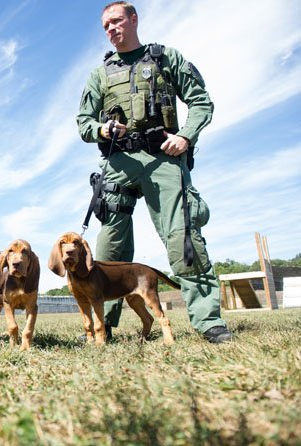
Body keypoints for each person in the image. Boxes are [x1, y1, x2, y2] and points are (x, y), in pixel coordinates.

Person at [77, 2, 232, 343]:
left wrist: (186, 136)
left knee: (183, 238)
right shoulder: (99, 74)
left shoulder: (165, 58)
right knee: (108, 249)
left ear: (133, 19)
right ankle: (107, 326)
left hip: (162, 158)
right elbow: (83, 123)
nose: (111, 29)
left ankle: (209, 322)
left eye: (116, 21)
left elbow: (201, 101)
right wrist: (102, 131)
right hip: (119, 163)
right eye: (105, 26)